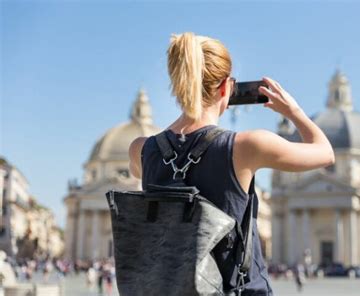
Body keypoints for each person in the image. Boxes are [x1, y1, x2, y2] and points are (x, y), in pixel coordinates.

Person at [128, 32, 335, 295]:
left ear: (178, 84)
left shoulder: (141, 149)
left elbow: (143, 171)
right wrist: (293, 111)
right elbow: (325, 152)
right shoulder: (246, 146)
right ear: (227, 87)